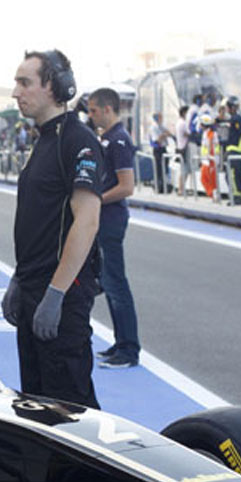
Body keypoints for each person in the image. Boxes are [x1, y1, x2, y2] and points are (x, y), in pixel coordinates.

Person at [0, 50, 107, 407]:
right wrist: (19, 279)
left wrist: (56, 294)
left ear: (55, 87)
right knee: (36, 402)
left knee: (71, 410)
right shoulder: (44, 140)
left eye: (25, 82)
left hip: (60, 293)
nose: (16, 92)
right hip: (34, 288)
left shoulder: (76, 140)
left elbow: (88, 221)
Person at [86, 88, 140, 370]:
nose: (91, 116)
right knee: (109, 282)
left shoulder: (118, 141)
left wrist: (96, 199)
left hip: (111, 219)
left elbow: (126, 187)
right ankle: (121, 343)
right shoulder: (107, 139)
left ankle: (129, 349)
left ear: (107, 109)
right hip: (105, 217)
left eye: (94, 110)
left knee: (116, 283)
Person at [220, 96, 241, 196]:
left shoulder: (236, 119)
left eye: (227, 107)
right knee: (238, 172)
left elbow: (240, 132)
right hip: (234, 149)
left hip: (234, 149)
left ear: (232, 107)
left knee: (232, 174)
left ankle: (237, 194)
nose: (227, 110)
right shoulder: (234, 119)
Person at [199, 111, 219, 199]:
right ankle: (212, 193)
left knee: (210, 178)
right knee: (204, 178)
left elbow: (211, 143)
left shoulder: (210, 133)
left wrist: (209, 156)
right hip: (206, 159)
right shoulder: (205, 133)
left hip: (210, 159)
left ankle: (213, 194)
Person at [147, 111, 169, 193]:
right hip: (157, 149)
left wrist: (164, 135)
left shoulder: (161, 126)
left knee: (164, 168)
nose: (162, 119)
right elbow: (157, 140)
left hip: (163, 148)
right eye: (160, 117)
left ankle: (163, 186)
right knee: (158, 168)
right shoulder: (154, 127)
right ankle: (158, 186)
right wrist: (163, 135)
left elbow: (168, 133)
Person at [173, 105, 190, 193]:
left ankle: (181, 189)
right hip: (184, 148)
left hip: (180, 147)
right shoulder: (183, 123)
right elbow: (187, 134)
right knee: (184, 170)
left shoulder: (179, 122)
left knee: (183, 169)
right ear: (184, 113)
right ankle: (181, 189)